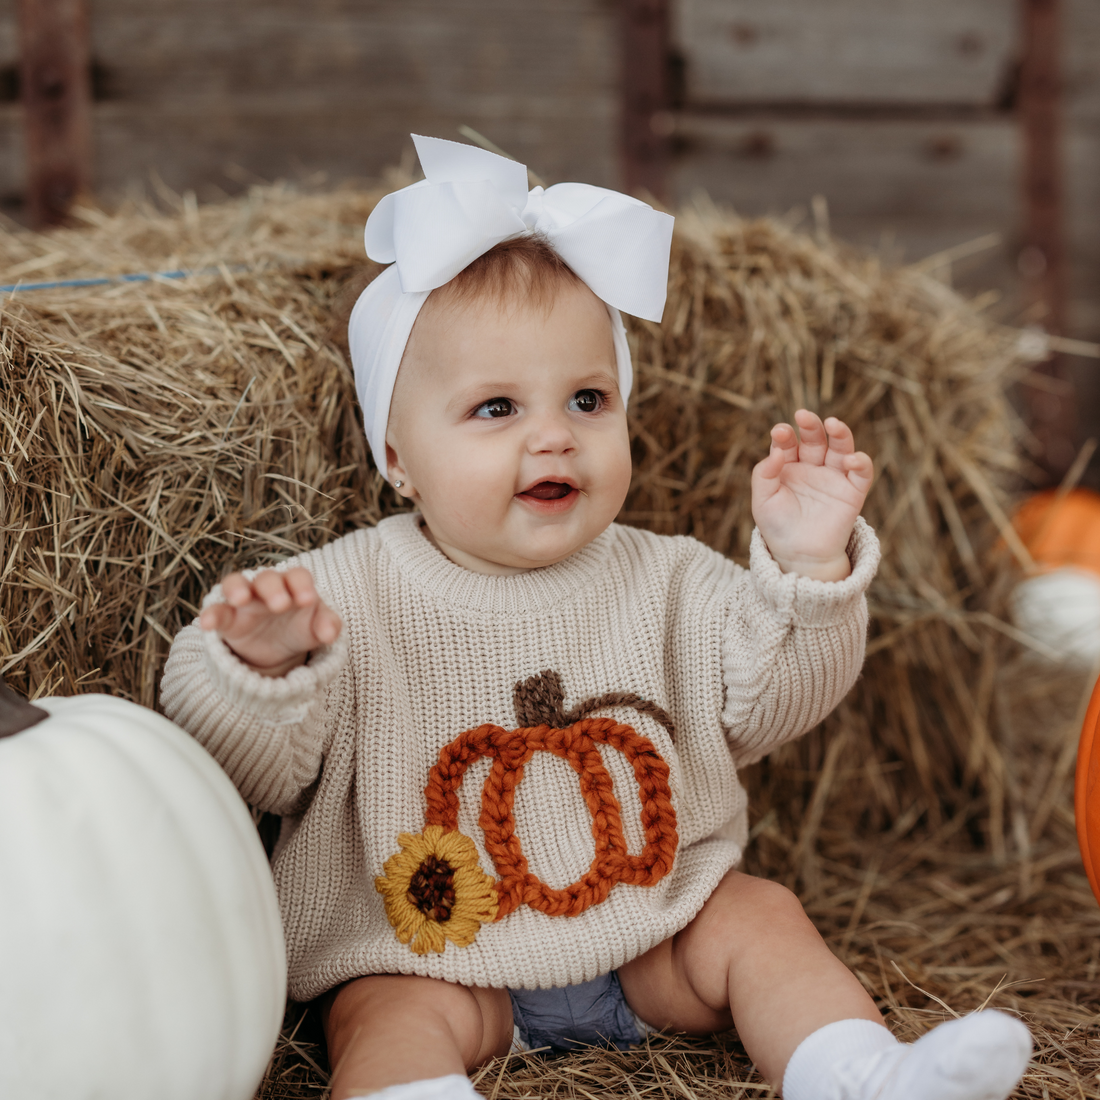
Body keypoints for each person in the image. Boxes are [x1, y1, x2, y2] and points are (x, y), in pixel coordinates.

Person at [160, 135, 1031, 1100]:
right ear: (398, 456)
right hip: (436, 959)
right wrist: (261, 669)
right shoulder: (341, 595)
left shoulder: (671, 581)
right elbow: (242, 772)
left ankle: (857, 1072)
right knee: (380, 1014)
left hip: (658, 932)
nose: (552, 434)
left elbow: (771, 701)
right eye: (496, 408)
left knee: (760, 917)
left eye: (587, 398)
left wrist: (808, 565)